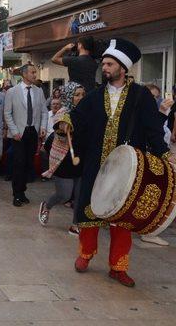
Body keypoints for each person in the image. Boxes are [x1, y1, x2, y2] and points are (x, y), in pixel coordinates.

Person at [57, 38, 175, 287]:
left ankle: (118, 267)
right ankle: (85, 255)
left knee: (123, 218)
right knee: (88, 213)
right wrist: (66, 121)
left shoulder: (140, 95)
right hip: (95, 165)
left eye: (110, 64)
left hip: (129, 171)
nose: (105, 68)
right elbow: (77, 115)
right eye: (105, 64)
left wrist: (165, 155)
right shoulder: (96, 94)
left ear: (123, 67)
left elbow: (153, 129)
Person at [38, 82, 85, 235]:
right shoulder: (62, 113)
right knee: (64, 195)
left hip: (82, 158)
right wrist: (63, 128)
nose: (80, 97)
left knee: (80, 195)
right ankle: (47, 205)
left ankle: (75, 224)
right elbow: (59, 126)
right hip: (64, 160)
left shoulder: (87, 112)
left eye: (82, 94)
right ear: (69, 96)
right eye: (77, 95)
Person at [4, 64, 47, 207]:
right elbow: (7, 113)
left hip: (32, 132)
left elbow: (44, 112)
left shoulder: (39, 91)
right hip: (18, 133)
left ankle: (22, 192)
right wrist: (14, 131)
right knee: (19, 163)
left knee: (28, 163)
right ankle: (16, 194)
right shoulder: (12, 91)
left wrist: (42, 127)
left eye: (36, 72)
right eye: (32, 72)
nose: (35, 75)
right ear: (24, 74)